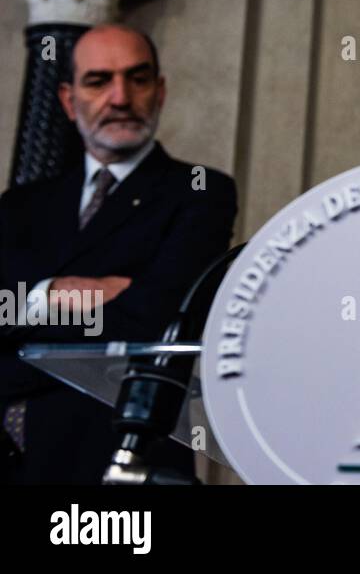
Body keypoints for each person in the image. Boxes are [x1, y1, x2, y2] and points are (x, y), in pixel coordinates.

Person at [0, 24, 237, 484]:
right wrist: (53, 293)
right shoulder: (19, 205)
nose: (120, 97)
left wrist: (22, 327)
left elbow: (151, 322)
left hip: (115, 464)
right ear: (70, 101)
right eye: (98, 80)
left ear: (160, 91)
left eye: (138, 78)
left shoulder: (200, 191)